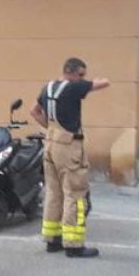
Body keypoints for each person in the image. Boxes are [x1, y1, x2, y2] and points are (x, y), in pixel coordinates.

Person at [30, 57, 110, 259]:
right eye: (81, 75)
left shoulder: (48, 88)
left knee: (54, 193)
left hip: (50, 144)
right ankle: (73, 245)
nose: (83, 79)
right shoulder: (73, 87)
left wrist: (50, 128)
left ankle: (53, 239)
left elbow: (34, 111)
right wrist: (91, 81)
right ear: (72, 72)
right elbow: (105, 83)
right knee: (75, 194)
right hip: (69, 147)